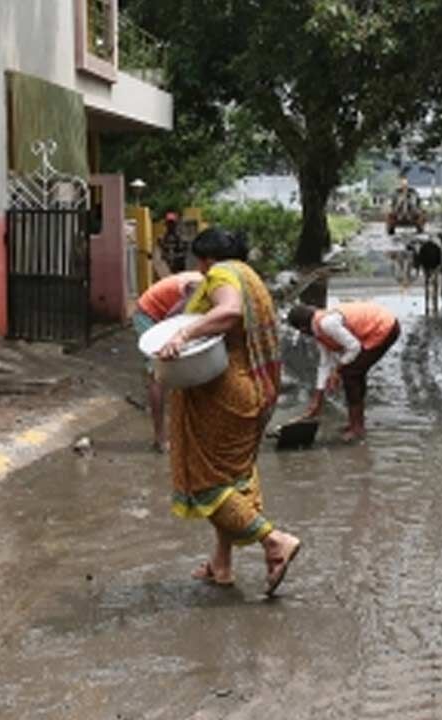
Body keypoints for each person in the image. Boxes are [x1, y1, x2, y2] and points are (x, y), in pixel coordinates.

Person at [157, 228, 301, 594]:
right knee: (234, 478)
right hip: (250, 389)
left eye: (200, 266)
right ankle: (221, 564)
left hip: (224, 392)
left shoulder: (222, 275)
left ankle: (274, 541)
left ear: (206, 259)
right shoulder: (249, 276)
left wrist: (183, 336)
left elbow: (229, 311)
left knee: (207, 483)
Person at [286, 301, 401, 442]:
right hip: (376, 326)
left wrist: (337, 370)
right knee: (355, 372)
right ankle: (357, 423)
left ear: (303, 328)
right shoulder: (319, 327)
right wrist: (318, 399)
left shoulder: (326, 324)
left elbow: (354, 347)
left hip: (384, 327)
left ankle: (357, 428)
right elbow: (324, 364)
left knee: (350, 374)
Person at [134, 270, 204, 452]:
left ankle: (182, 432)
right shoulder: (200, 285)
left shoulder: (213, 280)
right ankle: (160, 438)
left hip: (163, 312)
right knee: (158, 373)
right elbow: (172, 317)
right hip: (149, 315)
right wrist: (171, 339)